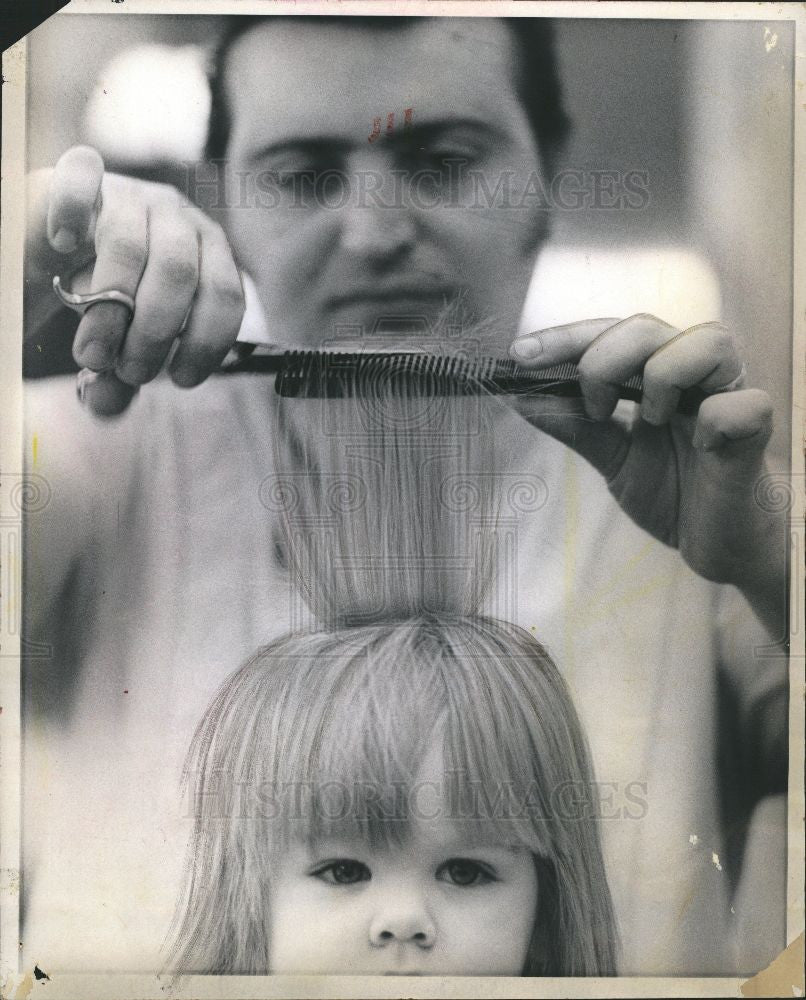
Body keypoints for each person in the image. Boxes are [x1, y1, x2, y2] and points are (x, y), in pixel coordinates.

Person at [22, 14, 787, 975]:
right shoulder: (105, 444)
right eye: (303, 176)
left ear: (546, 179)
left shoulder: (699, 483)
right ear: (224, 207)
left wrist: (769, 552)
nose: (377, 233)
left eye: (442, 163)